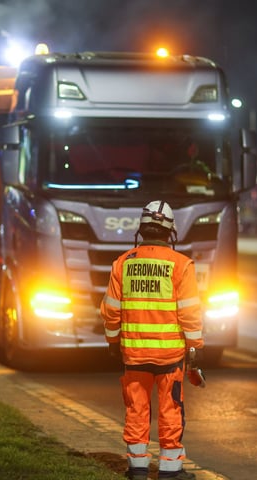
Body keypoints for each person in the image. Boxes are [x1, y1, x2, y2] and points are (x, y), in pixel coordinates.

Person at [100, 200, 204, 480]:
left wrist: (113, 341)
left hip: (133, 356)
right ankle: (170, 471)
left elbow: (111, 309)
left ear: (142, 230)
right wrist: (194, 348)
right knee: (171, 411)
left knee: (136, 410)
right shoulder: (181, 265)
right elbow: (190, 313)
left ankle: (137, 469)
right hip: (170, 358)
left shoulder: (123, 263)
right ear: (170, 232)